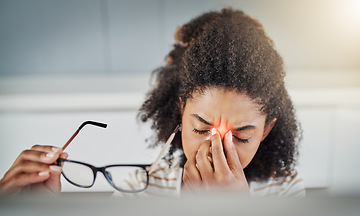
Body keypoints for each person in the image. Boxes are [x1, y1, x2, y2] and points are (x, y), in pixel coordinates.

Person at [0, 8, 305, 197]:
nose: (215, 152)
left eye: (241, 135)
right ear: (181, 111)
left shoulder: (286, 191)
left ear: (265, 131)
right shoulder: (138, 188)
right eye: (201, 129)